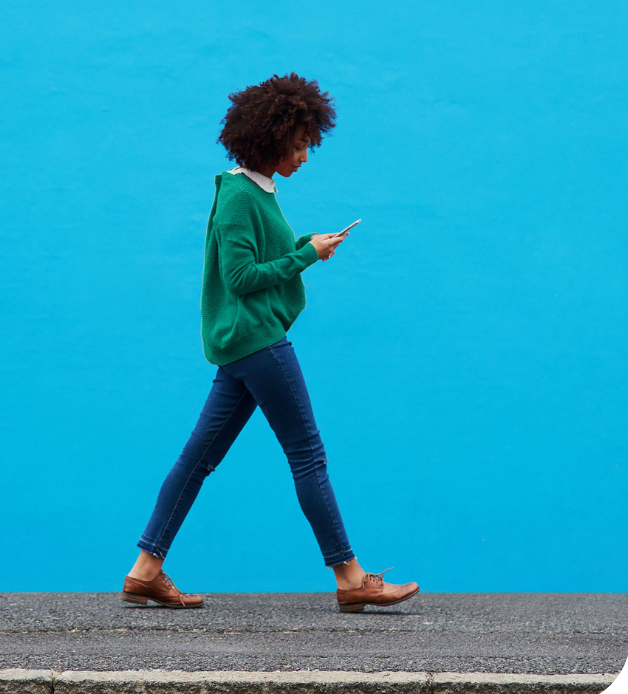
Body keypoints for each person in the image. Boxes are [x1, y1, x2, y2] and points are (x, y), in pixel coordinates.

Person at [121, 72, 419, 613]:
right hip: (259, 343)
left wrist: (308, 243)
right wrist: (304, 256)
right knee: (307, 455)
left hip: (242, 346)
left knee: (197, 459)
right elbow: (240, 277)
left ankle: (145, 570)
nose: (306, 155)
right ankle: (351, 579)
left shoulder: (255, 189)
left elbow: (262, 258)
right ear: (272, 138)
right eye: (300, 144)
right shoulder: (237, 194)